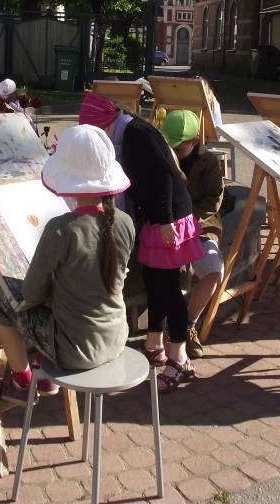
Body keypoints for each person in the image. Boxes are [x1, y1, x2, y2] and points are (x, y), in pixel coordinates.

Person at [0, 124, 136, 405]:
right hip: (116, 337)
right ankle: (45, 377)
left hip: (75, 351)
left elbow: (31, 293)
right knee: (62, 294)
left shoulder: (61, 229)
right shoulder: (125, 222)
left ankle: (21, 378)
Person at [79, 91, 202, 392]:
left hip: (168, 218)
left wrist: (164, 221)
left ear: (104, 124)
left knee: (168, 287)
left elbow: (163, 176)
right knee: (153, 279)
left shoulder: (135, 135)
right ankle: (154, 343)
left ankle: (179, 359)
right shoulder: (127, 131)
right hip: (156, 216)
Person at [162, 109, 224, 360]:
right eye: (171, 145)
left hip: (200, 227)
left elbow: (213, 201)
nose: (175, 152)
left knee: (212, 270)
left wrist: (189, 221)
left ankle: (188, 323)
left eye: (180, 146)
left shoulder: (209, 162)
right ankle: (167, 326)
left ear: (195, 142)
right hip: (168, 227)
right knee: (164, 268)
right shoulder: (164, 157)